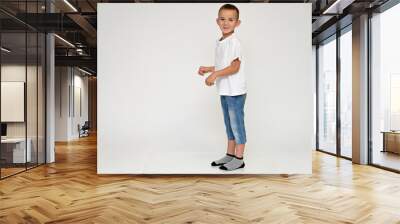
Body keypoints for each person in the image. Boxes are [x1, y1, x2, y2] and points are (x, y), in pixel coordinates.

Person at [198, 4, 247, 171]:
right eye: (223, 19)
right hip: (225, 90)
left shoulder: (234, 43)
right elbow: (223, 64)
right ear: (217, 21)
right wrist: (209, 69)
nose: (226, 22)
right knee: (228, 124)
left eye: (231, 19)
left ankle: (239, 159)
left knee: (237, 124)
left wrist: (215, 75)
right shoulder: (221, 42)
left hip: (235, 91)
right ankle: (230, 154)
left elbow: (234, 67)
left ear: (237, 23)